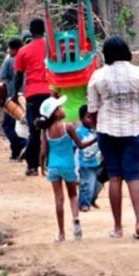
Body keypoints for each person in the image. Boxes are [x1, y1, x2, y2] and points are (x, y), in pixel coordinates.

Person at [86, 36, 139, 240]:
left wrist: (97, 127)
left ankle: (117, 227)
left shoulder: (98, 76)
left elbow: (92, 109)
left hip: (107, 130)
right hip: (133, 130)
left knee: (114, 177)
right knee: (133, 176)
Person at [37, 96, 96, 242]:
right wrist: (96, 139)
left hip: (53, 167)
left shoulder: (46, 131)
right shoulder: (68, 127)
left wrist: (42, 167)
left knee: (59, 199)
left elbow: (43, 152)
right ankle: (76, 220)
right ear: (56, 113)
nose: (63, 109)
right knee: (73, 195)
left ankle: (61, 233)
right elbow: (80, 145)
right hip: (68, 166)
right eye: (60, 108)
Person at [14, 18, 53, 176]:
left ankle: (32, 167)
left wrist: (15, 93)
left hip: (32, 94)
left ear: (30, 31)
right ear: (44, 30)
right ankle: (51, 163)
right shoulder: (52, 47)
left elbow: (18, 75)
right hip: (51, 92)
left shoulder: (23, 51)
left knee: (34, 131)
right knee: (52, 128)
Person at [0, 38, 28, 160]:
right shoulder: (28, 57)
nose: (9, 51)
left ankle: (22, 144)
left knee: (8, 125)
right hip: (29, 95)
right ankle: (16, 152)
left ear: (15, 49)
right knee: (26, 124)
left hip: (14, 98)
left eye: (10, 49)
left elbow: (0, 78)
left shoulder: (10, 60)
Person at [76, 105, 103, 212]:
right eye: (88, 117)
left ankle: (91, 199)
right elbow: (76, 148)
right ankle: (84, 203)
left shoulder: (97, 130)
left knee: (96, 184)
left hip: (97, 161)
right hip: (85, 163)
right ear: (81, 119)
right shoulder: (79, 132)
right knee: (86, 184)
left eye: (93, 116)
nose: (91, 119)